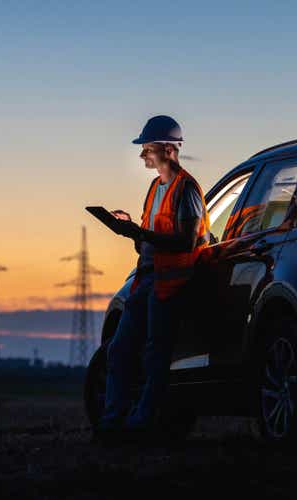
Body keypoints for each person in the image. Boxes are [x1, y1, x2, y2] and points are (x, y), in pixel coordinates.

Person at [96, 115, 211, 439]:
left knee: (155, 356)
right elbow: (150, 237)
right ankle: (114, 421)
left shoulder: (186, 188)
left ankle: (142, 423)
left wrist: (139, 232)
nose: (142, 154)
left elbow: (186, 241)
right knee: (120, 350)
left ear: (166, 149)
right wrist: (132, 230)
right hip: (147, 281)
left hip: (169, 286)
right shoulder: (155, 187)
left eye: (146, 148)